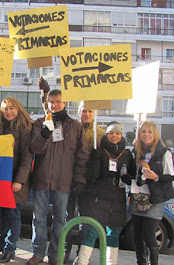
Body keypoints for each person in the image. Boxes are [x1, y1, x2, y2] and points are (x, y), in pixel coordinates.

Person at [28, 89, 89, 265]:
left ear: (64, 103)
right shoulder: (40, 123)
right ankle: (38, 252)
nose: (54, 105)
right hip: (42, 178)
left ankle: (55, 254)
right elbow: (35, 149)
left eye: (58, 101)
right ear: (47, 103)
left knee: (60, 220)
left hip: (64, 181)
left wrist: (79, 178)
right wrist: (44, 134)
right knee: (38, 218)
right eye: (51, 102)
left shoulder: (75, 126)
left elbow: (82, 154)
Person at [75, 121, 135, 265]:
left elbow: (133, 175)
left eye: (117, 133)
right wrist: (94, 161)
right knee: (92, 230)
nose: (114, 136)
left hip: (117, 196)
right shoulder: (99, 151)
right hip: (100, 195)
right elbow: (91, 175)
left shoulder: (126, 154)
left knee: (113, 233)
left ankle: (110, 262)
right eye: (111, 133)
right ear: (106, 135)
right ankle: (82, 261)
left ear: (121, 135)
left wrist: (128, 177)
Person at [0, 97, 33, 263]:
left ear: (18, 108)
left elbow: (27, 157)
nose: (8, 111)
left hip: (14, 180)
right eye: (5, 108)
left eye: (12, 108)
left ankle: (10, 249)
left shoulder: (25, 128)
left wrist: (19, 180)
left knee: (12, 214)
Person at [64, 102, 105, 263]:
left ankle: (81, 253)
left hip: (89, 184)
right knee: (66, 218)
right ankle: (65, 250)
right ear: (79, 112)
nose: (86, 114)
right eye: (84, 111)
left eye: (90, 111)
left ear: (94, 113)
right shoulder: (73, 128)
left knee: (85, 220)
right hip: (69, 180)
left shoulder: (100, 133)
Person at [130, 120, 174, 265]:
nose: (146, 134)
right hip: (137, 197)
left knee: (149, 236)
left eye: (149, 132)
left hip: (154, 199)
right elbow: (132, 172)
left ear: (155, 134)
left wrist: (156, 177)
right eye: (143, 132)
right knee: (137, 237)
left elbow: (170, 176)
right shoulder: (136, 150)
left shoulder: (163, 151)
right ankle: (141, 262)